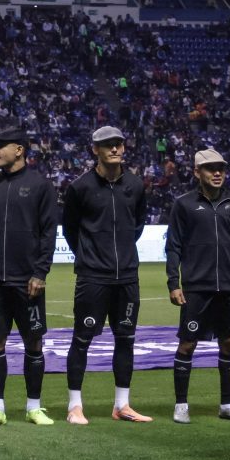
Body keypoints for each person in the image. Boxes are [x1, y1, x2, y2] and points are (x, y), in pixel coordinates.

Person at [0, 127, 59, 428]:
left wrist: (40, 272)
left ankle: (34, 406)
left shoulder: (40, 186)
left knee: (34, 342)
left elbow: (48, 233)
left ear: (19, 149)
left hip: (27, 281)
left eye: (0, 146)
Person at [165, 149, 230, 424]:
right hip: (196, 288)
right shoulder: (183, 205)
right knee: (187, 345)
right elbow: (173, 247)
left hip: (229, 289)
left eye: (221, 168)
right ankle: (181, 405)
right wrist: (174, 282)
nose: (217, 173)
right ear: (197, 173)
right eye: (210, 169)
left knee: (229, 344)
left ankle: (227, 404)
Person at [62, 126, 150, 425]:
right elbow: (70, 230)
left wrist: (122, 253)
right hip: (92, 277)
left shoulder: (135, 186)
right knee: (82, 339)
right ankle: (75, 405)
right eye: (108, 145)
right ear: (95, 150)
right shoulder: (80, 187)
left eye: (119, 144)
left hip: (126, 277)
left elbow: (137, 225)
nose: (115, 149)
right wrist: (90, 256)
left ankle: (122, 405)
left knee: (125, 339)